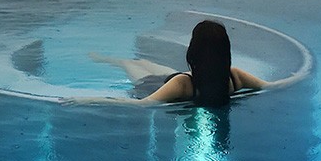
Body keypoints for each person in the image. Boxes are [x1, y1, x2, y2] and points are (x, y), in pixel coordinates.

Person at [63, 20, 269, 106]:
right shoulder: (235, 76)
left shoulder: (182, 85)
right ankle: (108, 59)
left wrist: (88, 100)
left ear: (194, 50)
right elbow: (273, 87)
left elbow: (141, 104)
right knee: (142, 60)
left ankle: (108, 60)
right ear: (225, 51)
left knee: (129, 64)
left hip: (153, 83)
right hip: (175, 75)